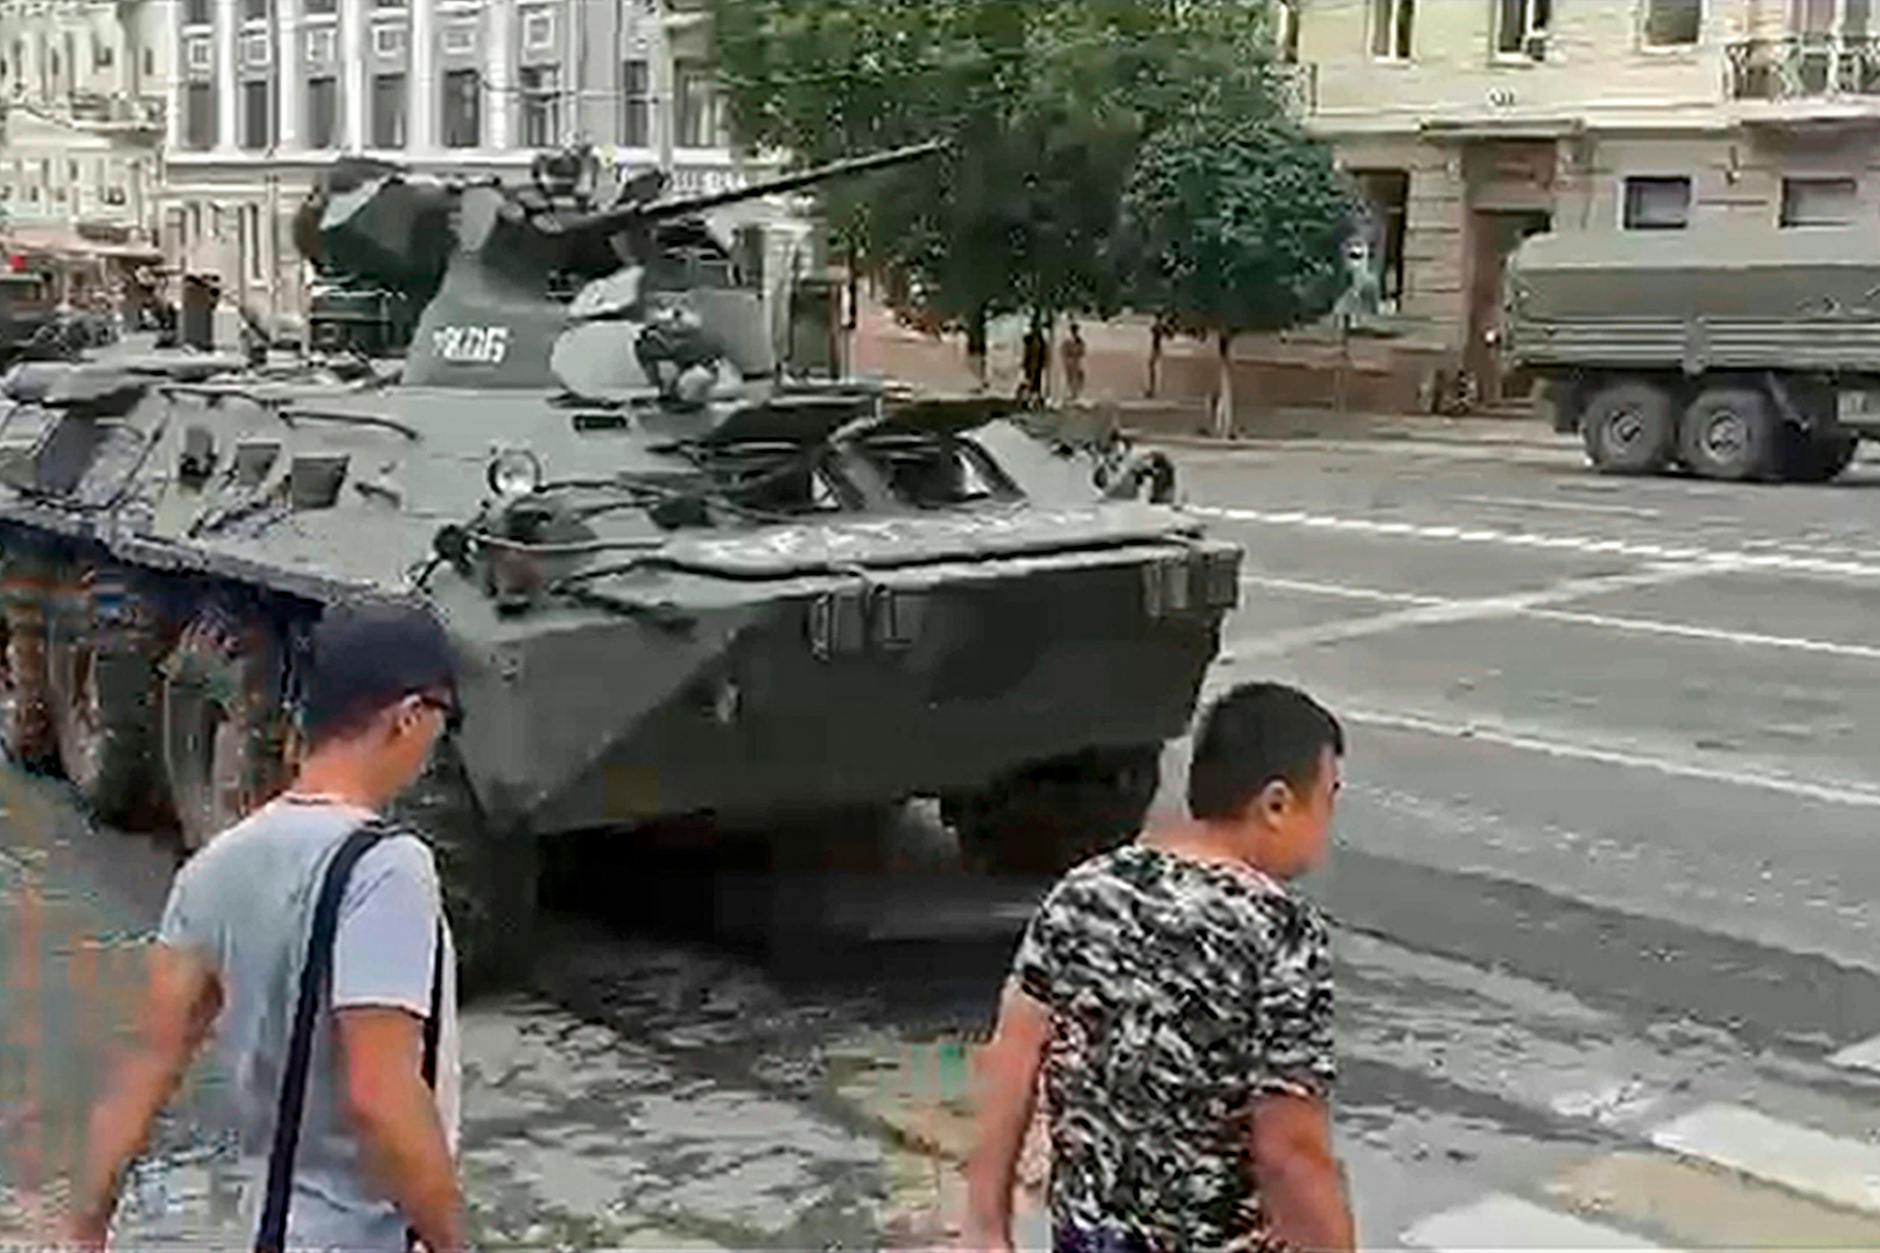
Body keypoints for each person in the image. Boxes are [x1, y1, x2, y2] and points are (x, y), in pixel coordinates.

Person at [67, 602, 468, 1253]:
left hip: (268, 1229)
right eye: (441, 723)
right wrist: (453, 1240)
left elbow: (147, 1064)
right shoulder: (389, 868)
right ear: (408, 717)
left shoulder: (215, 867)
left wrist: (86, 1222)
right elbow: (381, 1093)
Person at [965, 682, 1355, 1253]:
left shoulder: (1087, 891)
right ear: (1275, 804)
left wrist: (984, 1226)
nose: (1327, 825)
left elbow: (1012, 1060)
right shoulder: (1280, 935)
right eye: (1327, 798)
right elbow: (1290, 1150)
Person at [1062, 321, 1087, 403]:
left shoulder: (1079, 340)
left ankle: (1076, 394)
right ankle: (1072, 393)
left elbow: (1082, 351)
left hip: (1077, 361)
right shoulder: (1068, 341)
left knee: (1079, 377)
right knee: (1071, 378)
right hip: (1071, 361)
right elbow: (1064, 351)